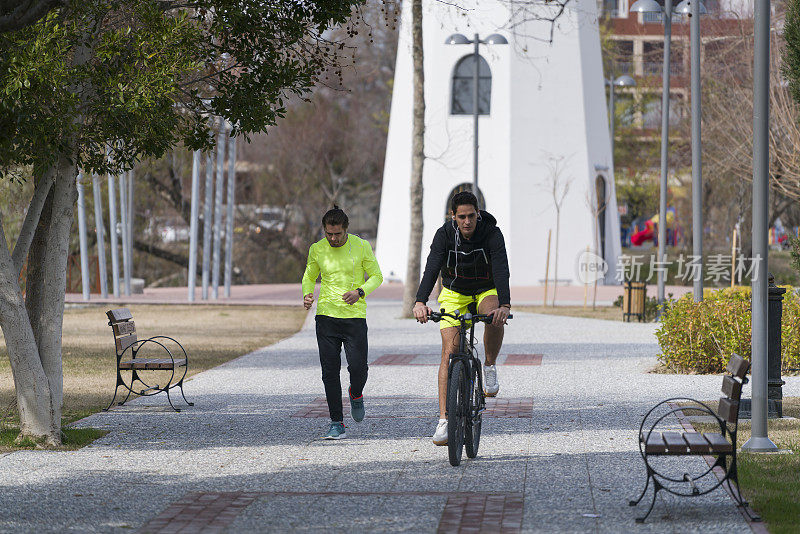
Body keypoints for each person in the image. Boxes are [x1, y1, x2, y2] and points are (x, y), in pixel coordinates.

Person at [413, 191, 511, 446]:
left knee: (493, 315)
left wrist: (505, 304)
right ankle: (444, 420)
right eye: (461, 217)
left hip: (485, 289)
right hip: (454, 291)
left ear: (478, 214)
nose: (467, 222)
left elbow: (501, 268)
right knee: (449, 352)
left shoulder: (491, 233)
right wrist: (420, 301)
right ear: (453, 217)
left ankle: (489, 365)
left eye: (471, 216)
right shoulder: (444, 234)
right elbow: (432, 266)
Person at [302, 206, 383, 440]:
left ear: (346, 229)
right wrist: (308, 293)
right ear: (324, 231)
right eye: (329, 234)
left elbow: (377, 276)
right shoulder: (317, 249)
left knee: (358, 367)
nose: (334, 239)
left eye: (338, 234)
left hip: (354, 317)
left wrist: (360, 291)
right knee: (329, 371)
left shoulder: (361, 246)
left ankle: (356, 393)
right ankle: (336, 422)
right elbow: (309, 275)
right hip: (326, 316)